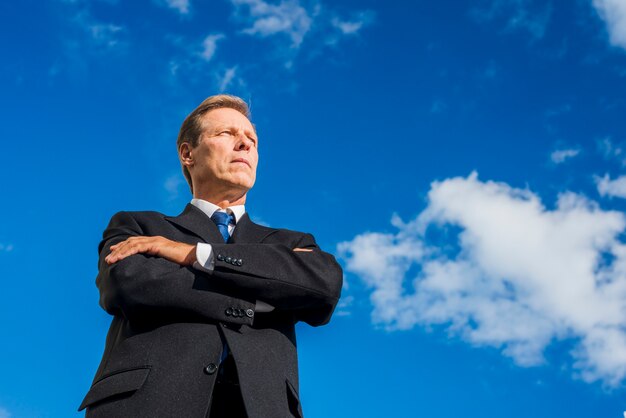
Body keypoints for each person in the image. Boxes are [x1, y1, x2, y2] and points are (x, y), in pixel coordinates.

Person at [78, 94, 343, 417]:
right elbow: (128, 284)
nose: (244, 145)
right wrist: (259, 296)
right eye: (226, 134)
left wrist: (194, 254)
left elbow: (323, 286)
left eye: (252, 140)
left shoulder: (292, 242)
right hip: (146, 404)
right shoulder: (139, 226)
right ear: (188, 154)